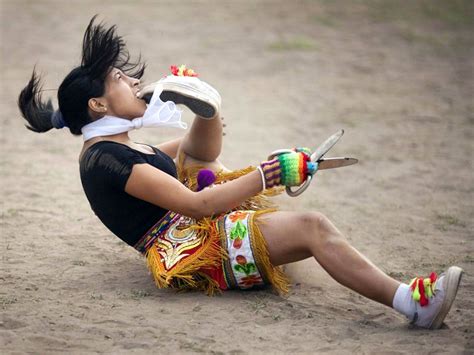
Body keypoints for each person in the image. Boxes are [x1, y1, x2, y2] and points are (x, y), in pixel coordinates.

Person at [17, 16, 463, 330]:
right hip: (189, 250)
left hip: (190, 230)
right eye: (120, 79)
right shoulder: (108, 161)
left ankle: (396, 293)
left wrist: (204, 107)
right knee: (312, 226)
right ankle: (413, 304)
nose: (135, 83)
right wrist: (270, 172)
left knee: (207, 167)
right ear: (98, 105)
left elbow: (195, 152)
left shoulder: (112, 148)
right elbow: (197, 204)